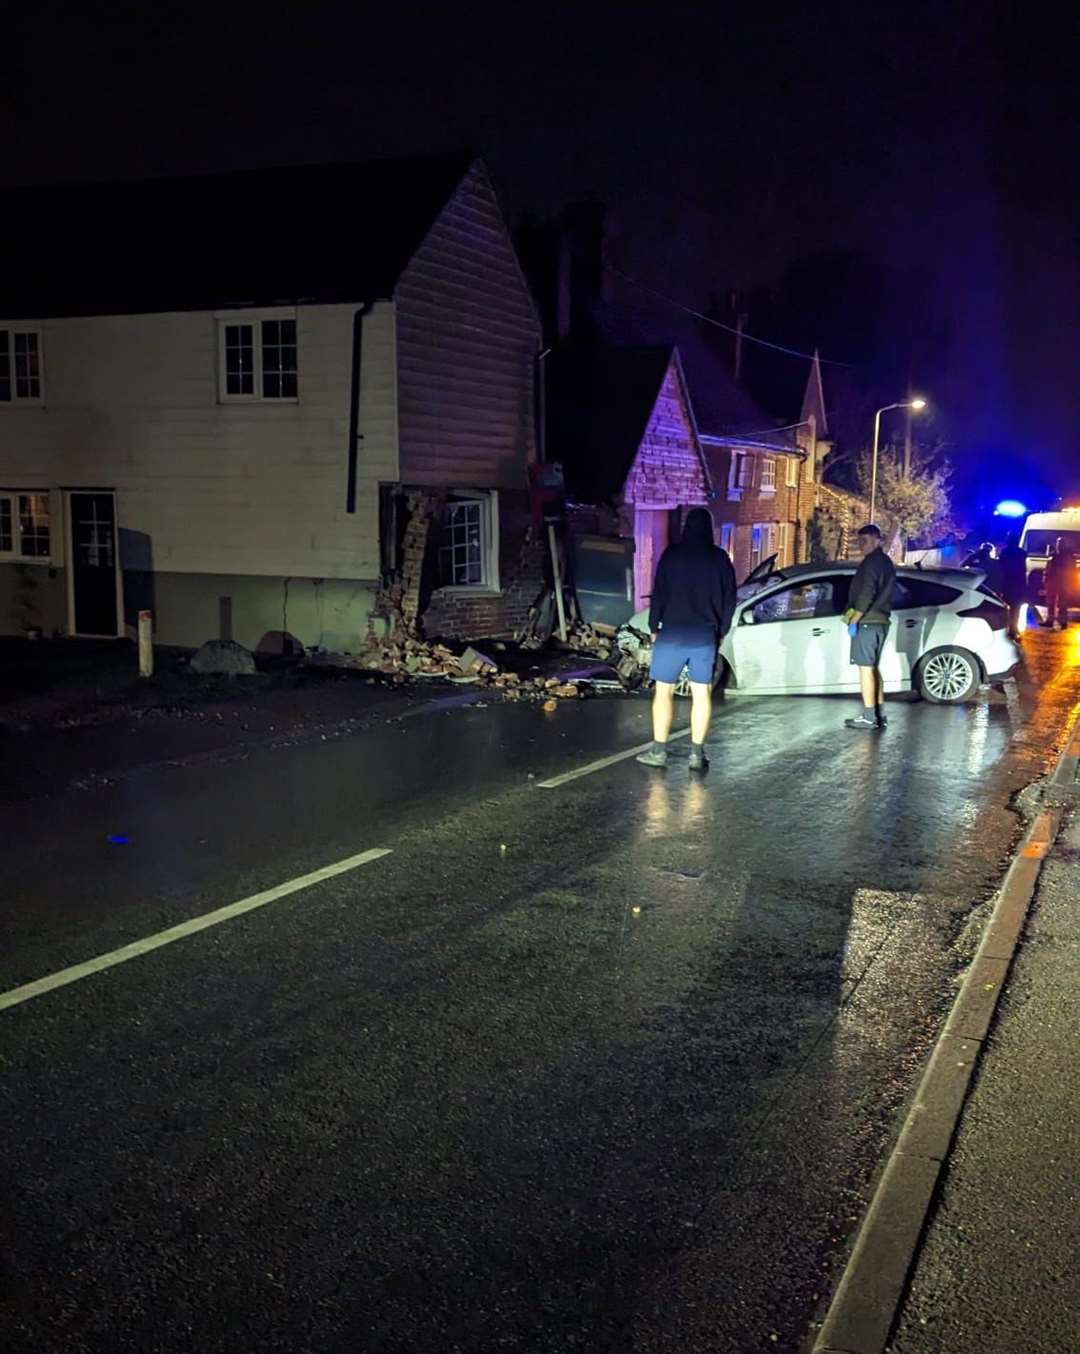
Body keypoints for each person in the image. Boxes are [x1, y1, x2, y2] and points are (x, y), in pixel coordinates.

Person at [636, 507, 736, 771]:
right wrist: (721, 631)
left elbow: (659, 592)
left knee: (664, 691)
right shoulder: (720, 559)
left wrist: (653, 625)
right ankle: (696, 755)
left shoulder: (672, 556)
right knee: (701, 693)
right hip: (704, 635)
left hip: (671, 633)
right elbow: (729, 601)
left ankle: (658, 752)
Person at [843, 523, 895, 731]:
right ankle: (878, 713)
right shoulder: (885, 562)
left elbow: (866, 593)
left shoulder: (872, 563)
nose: (861, 545)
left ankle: (868, 716)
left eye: (865, 541)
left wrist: (854, 619)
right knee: (873, 669)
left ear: (877, 540)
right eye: (859, 541)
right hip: (880, 621)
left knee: (865, 669)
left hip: (868, 622)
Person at [998, 532, 1028, 638]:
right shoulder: (1022, 553)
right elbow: (1023, 571)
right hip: (1017, 584)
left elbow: (1000, 569)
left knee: (1003, 608)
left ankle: (1004, 629)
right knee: (1016, 609)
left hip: (1007, 583)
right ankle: (1013, 629)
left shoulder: (1005, 553)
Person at [1044, 537, 1074, 631]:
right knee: (1052, 602)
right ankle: (1053, 621)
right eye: (1058, 543)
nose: (1059, 546)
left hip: (1061, 582)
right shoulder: (1058, 556)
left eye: (1061, 544)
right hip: (1057, 582)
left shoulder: (1064, 556)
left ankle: (1061, 622)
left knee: (1061, 603)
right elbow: (1048, 569)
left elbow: (1071, 570)